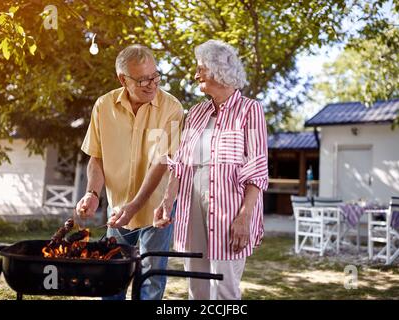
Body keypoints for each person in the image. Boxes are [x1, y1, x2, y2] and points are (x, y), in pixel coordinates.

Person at [153, 40, 268, 300]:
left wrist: (244, 216)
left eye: (201, 68)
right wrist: (167, 201)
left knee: (225, 290)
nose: (195, 75)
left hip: (230, 211)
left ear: (219, 69)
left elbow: (257, 169)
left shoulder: (250, 110)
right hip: (191, 208)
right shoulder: (195, 113)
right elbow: (180, 163)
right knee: (197, 288)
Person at [76, 44, 184, 300]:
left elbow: (163, 162)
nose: (151, 84)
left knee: (152, 277)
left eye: (155, 76)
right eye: (143, 79)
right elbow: (97, 158)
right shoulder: (103, 106)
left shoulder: (172, 108)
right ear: (122, 79)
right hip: (118, 209)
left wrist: (133, 207)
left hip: (157, 209)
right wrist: (92, 193)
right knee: (112, 275)